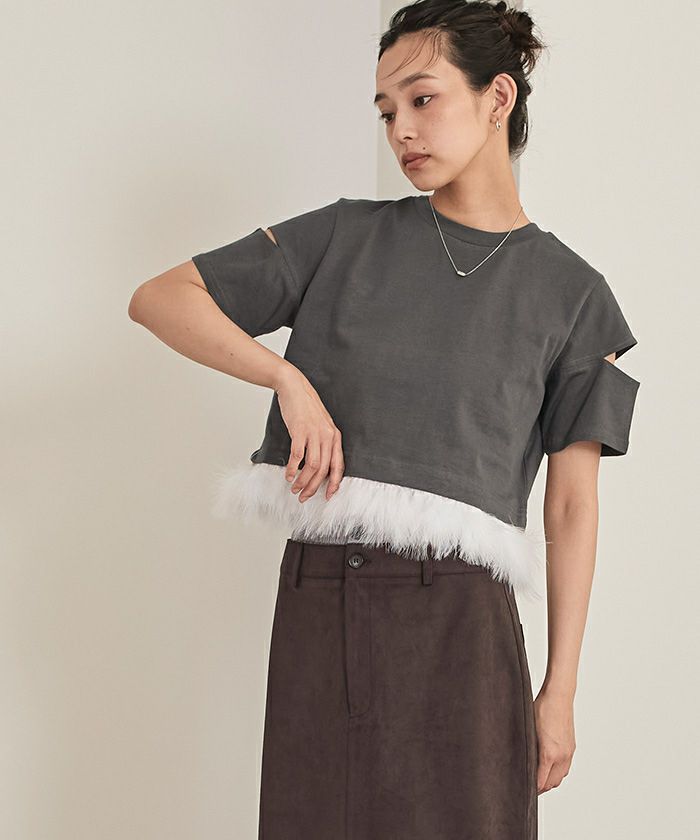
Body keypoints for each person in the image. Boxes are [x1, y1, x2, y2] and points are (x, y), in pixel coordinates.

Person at [128, 1, 641, 837]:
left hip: (466, 625)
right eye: (386, 110)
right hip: (327, 595)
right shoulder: (345, 237)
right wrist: (286, 378)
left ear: (497, 98)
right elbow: (161, 297)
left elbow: (573, 505)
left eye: (422, 99)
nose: (401, 129)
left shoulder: (574, 295)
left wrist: (560, 690)